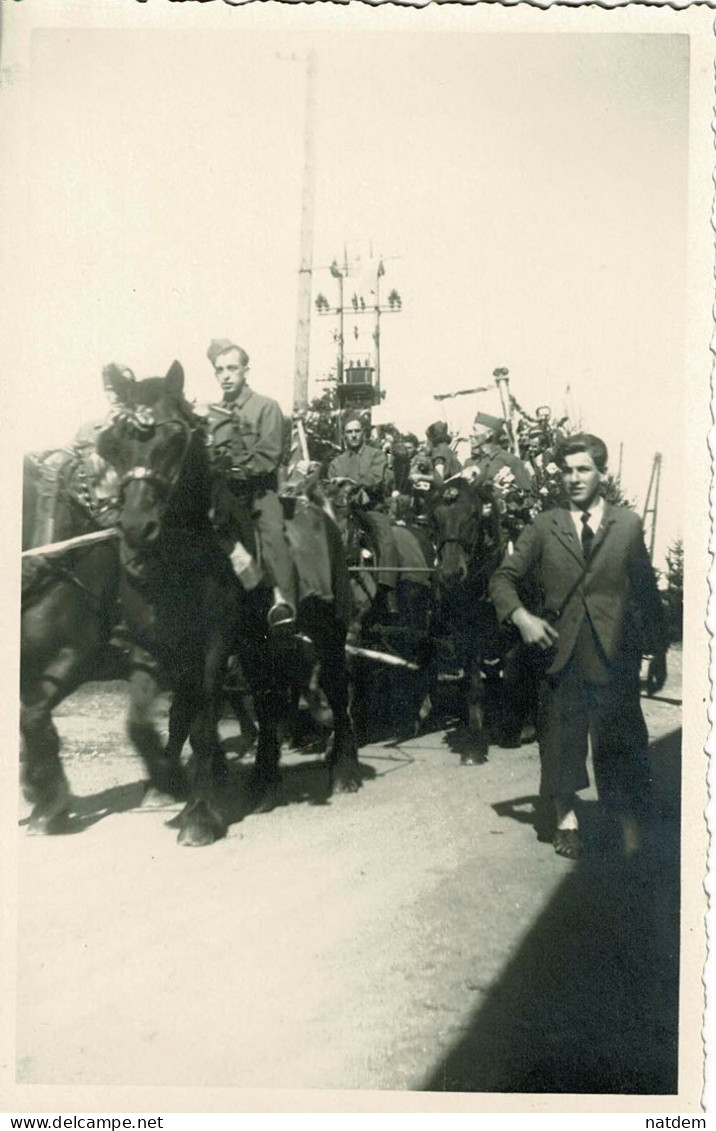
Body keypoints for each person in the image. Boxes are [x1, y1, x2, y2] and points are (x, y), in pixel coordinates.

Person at [489, 432, 668, 860]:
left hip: (614, 652)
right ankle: (567, 820)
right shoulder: (544, 525)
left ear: (601, 473)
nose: (573, 478)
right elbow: (502, 578)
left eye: (583, 469)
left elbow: (644, 590)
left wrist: (657, 650)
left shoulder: (625, 524)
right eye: (566, 470)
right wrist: (522, 617)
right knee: (559, 740)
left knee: (622, 740)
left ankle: (628, 825)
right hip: (559, 652)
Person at [206, 338, 296, 631]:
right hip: (223, 497)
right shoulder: (212, 415)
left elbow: (268, 455)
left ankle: (282, 602)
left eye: (232, 368)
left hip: (257, 493)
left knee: (272, 535)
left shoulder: (266, 407)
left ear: (246, 370)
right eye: (220, 370)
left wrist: (233, 469)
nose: (226, 375)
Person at [327, 416, 400, 616]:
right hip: (343, 511)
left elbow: (377, 479)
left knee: (385, 537)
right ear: (344, 436)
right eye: (349, 432)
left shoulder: (376, 455)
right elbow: (332, 486)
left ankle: (387, 587)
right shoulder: (336, 462)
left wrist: (353, 484)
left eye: (357, 431)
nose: (353, 435)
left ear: (364, 434)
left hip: (370, 509)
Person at [462, 411, 533, 493]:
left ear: (489, 434)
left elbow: (527, 497)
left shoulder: (510, 461)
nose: (470, 434)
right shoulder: (469, 463)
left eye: (475, 430)